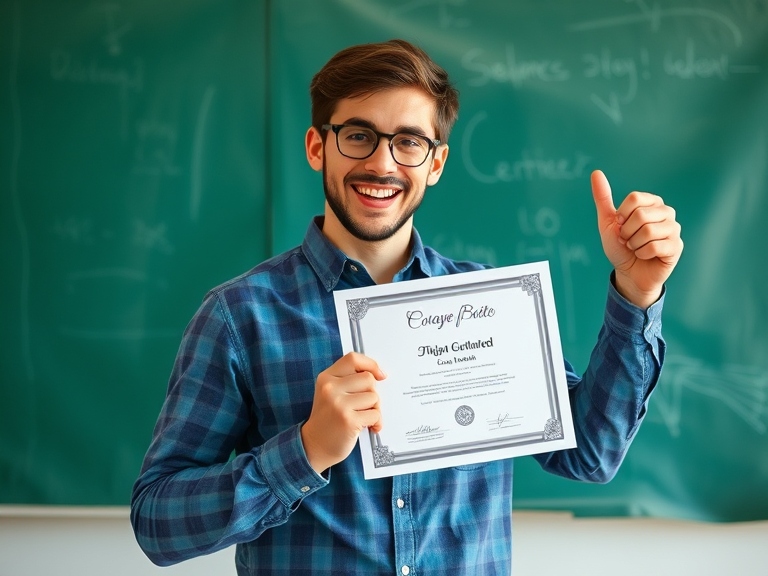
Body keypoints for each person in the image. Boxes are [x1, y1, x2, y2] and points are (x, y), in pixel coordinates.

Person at [131, 39, 683, 575]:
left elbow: (590, 453)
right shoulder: (239, 316)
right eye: (358, 136)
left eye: (409, 142)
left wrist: (637, 292)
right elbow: (156, 522)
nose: (382, 163)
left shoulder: (492, 306)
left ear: (436, 162)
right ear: (317, 146)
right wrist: (304, 452)